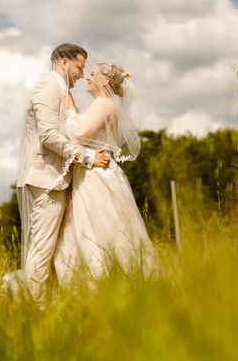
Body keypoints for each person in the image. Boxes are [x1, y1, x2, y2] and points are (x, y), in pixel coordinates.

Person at [10, 44, 111, 303]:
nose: (81, 74)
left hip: (57, 179)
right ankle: (34, 308)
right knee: (42, 249)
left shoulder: (61, 91)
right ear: (64, 62)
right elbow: (48, 136)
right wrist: (88, 157)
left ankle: (40, 303)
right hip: (46, 180)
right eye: (80, 67)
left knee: (51, 249)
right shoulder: (48, 87)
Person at [53, 62, 159, 284]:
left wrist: (70, 111)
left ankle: (96, 283)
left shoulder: (103, 103)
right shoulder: (106, 105)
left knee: (96, 228)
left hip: (96, 174)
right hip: (99, 170)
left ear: (105, 82)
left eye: (92, 74)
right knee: (109, 228)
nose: (87, 78)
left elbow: (80, 135)